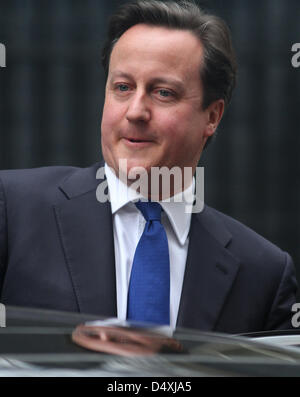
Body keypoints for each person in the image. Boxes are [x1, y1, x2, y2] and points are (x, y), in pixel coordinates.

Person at [0, 0, 297, 333]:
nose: (135, 111)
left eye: (163, 92)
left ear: (212, 116)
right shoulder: (13, 211)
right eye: (123, 87)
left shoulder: (263, 273)